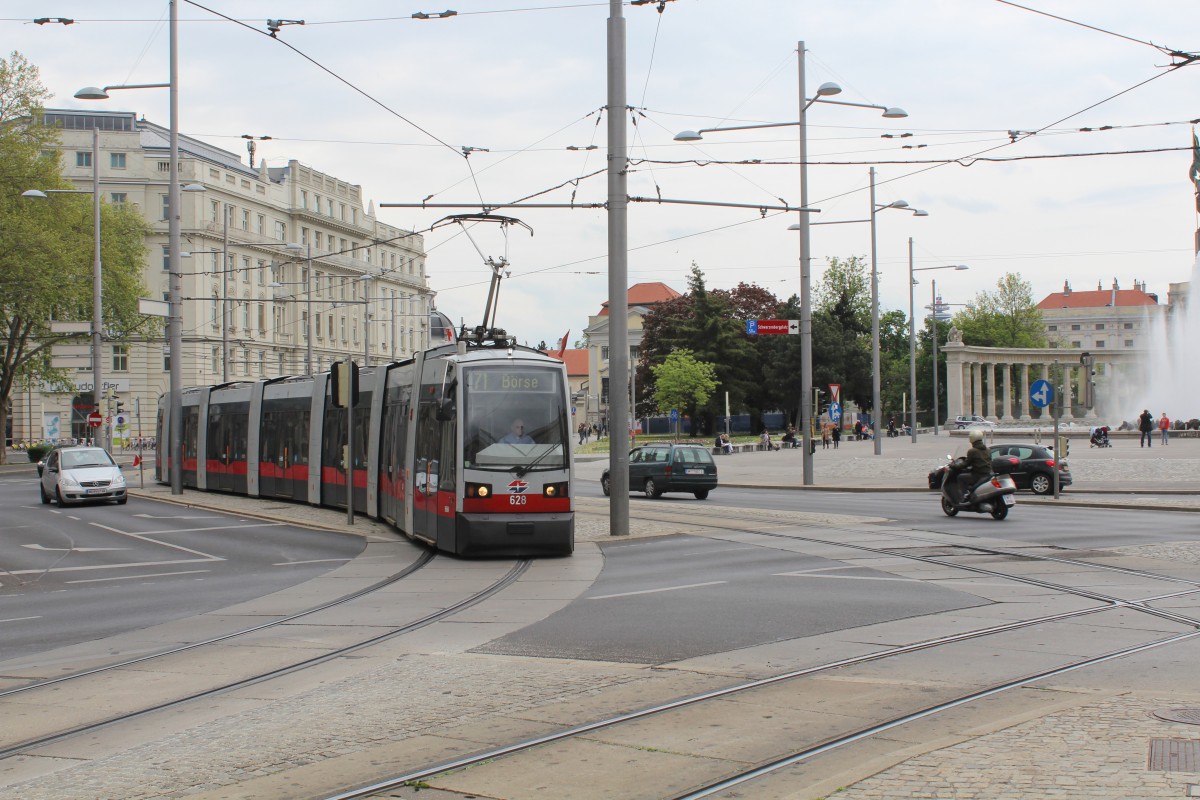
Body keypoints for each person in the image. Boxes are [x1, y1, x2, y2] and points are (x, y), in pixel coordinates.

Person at [955, 429, 992, 503]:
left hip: (978, 474)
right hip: (988, 474)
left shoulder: (972, 451)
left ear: (972, 439)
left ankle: (964, 496)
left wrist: (954, 466)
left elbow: (965, 464)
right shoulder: (988, 450)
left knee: (961, 477)